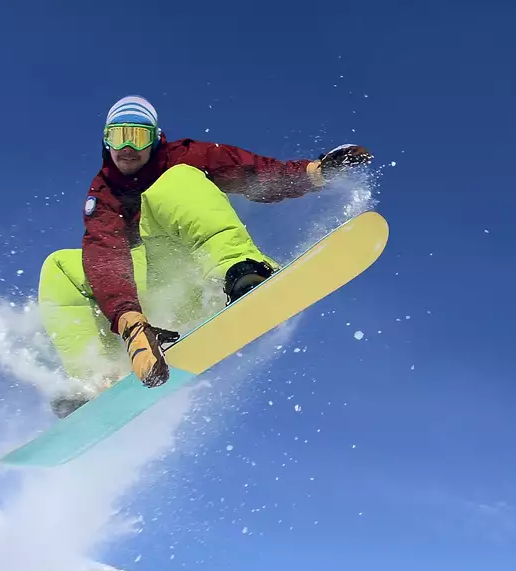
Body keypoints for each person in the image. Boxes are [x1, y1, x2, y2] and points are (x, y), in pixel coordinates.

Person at [38, 95, 371, 417]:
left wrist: (315, 173)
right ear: (105, 141)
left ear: (154, 139)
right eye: (118, 136)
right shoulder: (105, 193)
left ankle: (243, 273)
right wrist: (130, 323)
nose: (127, 148)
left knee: (175, 182)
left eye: (137, 137)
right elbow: (105, 256)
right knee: (60, 268)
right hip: (153, 304)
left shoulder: (182, 156)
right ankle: (98, 377)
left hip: (202, 276)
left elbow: (252, 173)